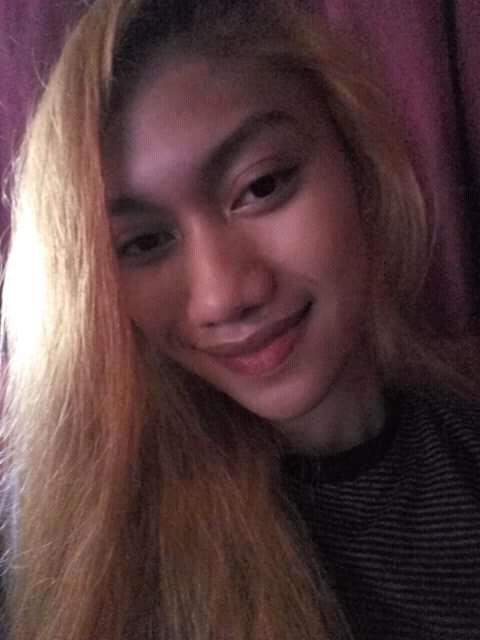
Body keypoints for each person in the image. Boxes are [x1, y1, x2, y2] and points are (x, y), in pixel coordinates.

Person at [1, 1, 479, 639]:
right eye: (143, 243)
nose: (223, 297)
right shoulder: (72, 542)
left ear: (359, 164)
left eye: (261, 186)